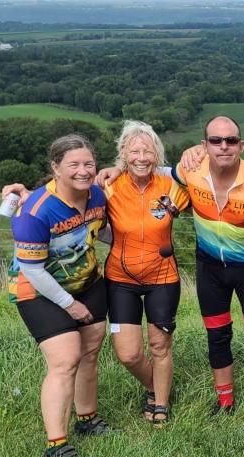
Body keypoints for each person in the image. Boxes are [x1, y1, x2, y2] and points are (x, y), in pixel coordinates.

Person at [169, 116, 244, 420]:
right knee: (217, 336)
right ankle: (224, 403)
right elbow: (153, 172)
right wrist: (114, 169)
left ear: (241, 145)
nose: (224, 146)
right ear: (204, 145)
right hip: (209, 269)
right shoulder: (190, 170)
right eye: (216, 141)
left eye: (231, 141)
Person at [7, 134, 116, 457]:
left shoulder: (97, 194)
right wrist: (70, 305)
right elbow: (33, 270)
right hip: (38, 290)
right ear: (55, 167)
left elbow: (106, 232)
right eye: (74, 165)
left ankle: (86, 419)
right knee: (66, 359)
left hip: (88, 282)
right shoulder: (36, 210)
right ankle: (56, 445)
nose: (83, 171)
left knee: (89, 354)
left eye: (88, 164)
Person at [102, 121, 190, 427]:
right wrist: (21, 193)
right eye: (134, 150)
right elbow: (69, 188)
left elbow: (205, 178)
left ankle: (162, 403)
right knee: (127, 353)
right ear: (123, 154)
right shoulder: (109, 185)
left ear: (157, 155)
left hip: (162, 278)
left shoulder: (172, 188)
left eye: (148, 150)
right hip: (119, 279)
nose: (141, 156)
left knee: (160, 345)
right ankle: (155, 386)